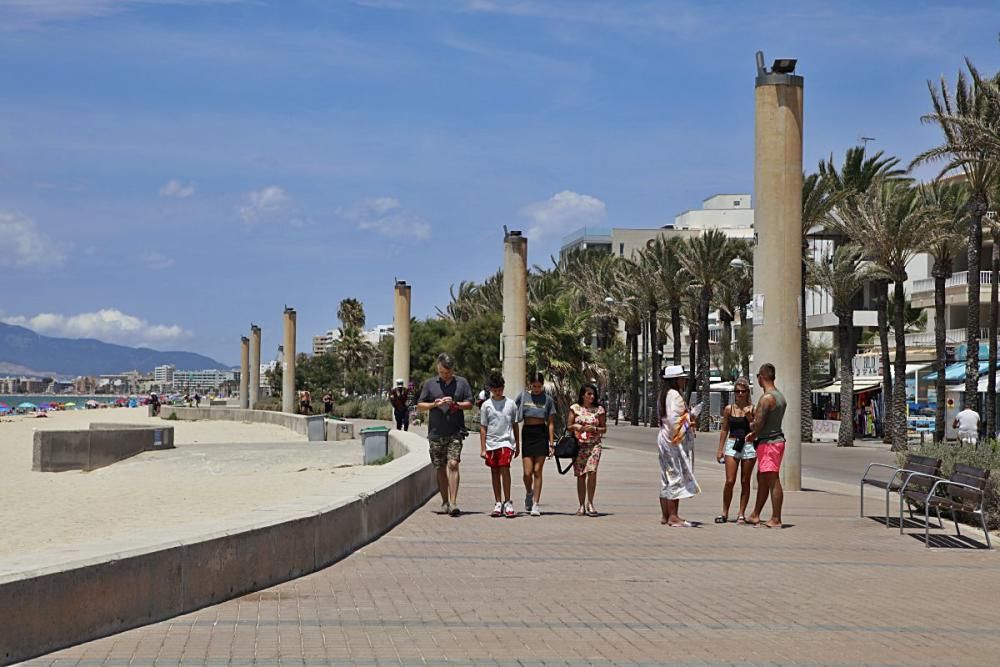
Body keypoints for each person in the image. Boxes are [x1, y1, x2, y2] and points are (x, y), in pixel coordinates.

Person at [417, 353, 474, 516]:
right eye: (442, 372)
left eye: (448, 372)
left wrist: (456, 404)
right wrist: (434, 404)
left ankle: (453, 502)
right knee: (440, 467)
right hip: (436, 433)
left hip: (455, 431)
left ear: (453, 369)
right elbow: (420, 405)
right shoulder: (430, 384)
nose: (445, 375)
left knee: (453, 464)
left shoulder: (462, 383)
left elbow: (470, 403)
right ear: (438, 368)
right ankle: (444, 501)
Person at [658, 365, 701, 526]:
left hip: (664, 438)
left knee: (666, 477)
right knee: (675, 476)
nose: (684, 381)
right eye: (682, 378)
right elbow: (674, 421)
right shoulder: (675, 396)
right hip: (672, 441)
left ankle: (665, 515)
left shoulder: (664, 395)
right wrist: (690, 418)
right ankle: (673, 516)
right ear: (675, 380)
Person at [746, 363, 787, 528]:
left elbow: (757, 424)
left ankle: (776, 518)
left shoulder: (766, 398)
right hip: (773, 440)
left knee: (772, 479)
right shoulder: (780, 397)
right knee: (762, 478)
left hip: (770, 444)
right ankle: (755, 514)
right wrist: (755, 434)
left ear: (762, 377)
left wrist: (750, 419)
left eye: (758, 376)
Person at [714, 377, 755, 524]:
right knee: (730, 480)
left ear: (747, 392)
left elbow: (756, 428)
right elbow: (724, 429)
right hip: (732, 444)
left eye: (743, 391)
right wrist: (720, 449)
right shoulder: (729, 409)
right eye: (737, 391)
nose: (740, 394)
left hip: (748, 445)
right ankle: (724, 512)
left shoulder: (753, 408)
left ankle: (741, 513)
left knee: (745, 481)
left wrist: (750, 418)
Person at [479, 372, 520, 518]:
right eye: (495, 390)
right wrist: (483, 448)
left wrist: (517, 444)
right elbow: (483, 427)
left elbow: (515, 425)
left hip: (506, 442)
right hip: (491, 443)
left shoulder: (511, 404)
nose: (498, 392)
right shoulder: (486, 406)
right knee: (494, 471)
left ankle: (508, 501)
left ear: (503, 388)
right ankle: (498, 502)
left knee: (505, 469)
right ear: (491, 389)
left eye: (500, 389)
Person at [515, 372, 556, 517]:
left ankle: (536, 504)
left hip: (541, 433)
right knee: (527, 473)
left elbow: (551, 423)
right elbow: (512, 411)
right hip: (527, 433)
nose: (537, 389)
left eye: (539, 386)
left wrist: (551, 444)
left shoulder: (548, 400)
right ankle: (529, 492)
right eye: (534, 386)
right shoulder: (523, 396)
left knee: (537, 471)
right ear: (530, 384)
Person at [568, 383, 607, 517]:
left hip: (594, 444)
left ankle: (590, 503)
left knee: (592, 471)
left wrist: (594, 429)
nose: (592, 396)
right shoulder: (575, 408)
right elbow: (568, 426)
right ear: (582, 395)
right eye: (589, 394)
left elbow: (604, 428)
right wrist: (576, 427)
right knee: (581, 475)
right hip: (579, 446)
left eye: (593, 394)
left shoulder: (599, 410)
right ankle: (581, 505)